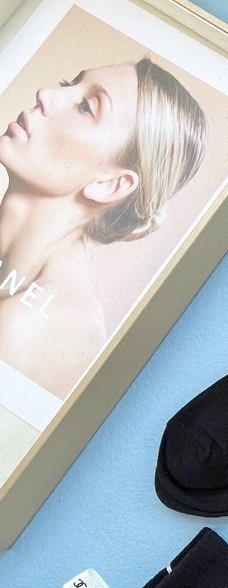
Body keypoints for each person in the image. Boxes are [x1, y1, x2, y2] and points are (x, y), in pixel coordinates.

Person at [0, 58, 206, 397]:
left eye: (86, 106)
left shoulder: (29, 326)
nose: (45, 94)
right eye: (69, 84)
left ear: (110, 185)